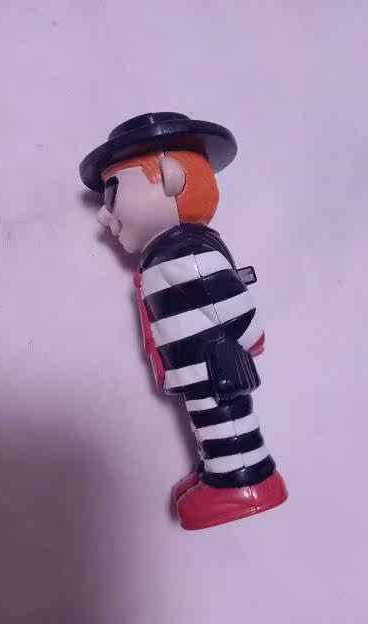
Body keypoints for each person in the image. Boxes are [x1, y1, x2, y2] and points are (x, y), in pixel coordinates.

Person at [80, 112, 288, 529]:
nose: (104, 214)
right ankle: (219, 471)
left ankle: (244, 482)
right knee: (210, 422)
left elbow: (235, 307)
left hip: (215, 367)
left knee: (227, 420)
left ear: (171, 178)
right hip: (201, 367)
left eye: (112, 192)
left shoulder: (186, 255)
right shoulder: (170, 254)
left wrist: (246, 339)